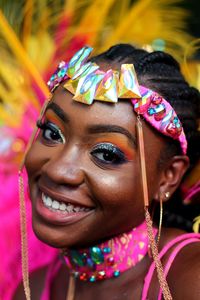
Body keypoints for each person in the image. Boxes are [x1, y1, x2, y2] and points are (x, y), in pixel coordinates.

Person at [15, 44, 200, 300]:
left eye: (106, 154)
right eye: (51, 133)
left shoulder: (191, 282)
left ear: (168, 176)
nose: (58, 171)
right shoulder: (31, 290)